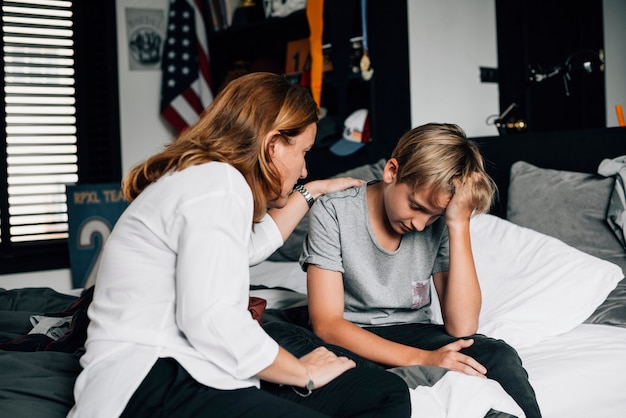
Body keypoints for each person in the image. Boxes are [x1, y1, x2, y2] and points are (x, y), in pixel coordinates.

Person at [67, 72, 411, 418]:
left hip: (187, 370)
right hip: (149, 378)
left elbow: (247, 248)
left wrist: (314, 191)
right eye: (304, 152)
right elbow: (210, 318)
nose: (304, 169)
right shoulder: (219, 182)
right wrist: (302, 372)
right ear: (273, 144)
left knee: (385, 391)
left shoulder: (204, 178)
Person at [265, 123, 543, 418]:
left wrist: (457, 225)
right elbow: (327, 325)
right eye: (415, 206)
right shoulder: (334, 211)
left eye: (433, 216)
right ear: (392, 172)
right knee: (300, 350)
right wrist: (425, 359)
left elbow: (462, 327)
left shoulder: (439, 224)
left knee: (497, 355)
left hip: (414, 331)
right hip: (349, 334)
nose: (420, 225)